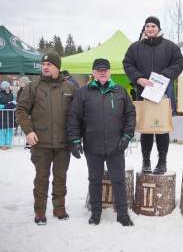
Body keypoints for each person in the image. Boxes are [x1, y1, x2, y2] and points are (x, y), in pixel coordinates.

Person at [67, 58, 136, 226]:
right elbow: (73, 117)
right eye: (99, 70)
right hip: (92, 145)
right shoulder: (83, 92)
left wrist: (127, 136)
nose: (103, 72)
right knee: (95, 180)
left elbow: (130, 114)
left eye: (105, 70)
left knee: (118, 180)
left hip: (116, 146)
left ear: (110, 72)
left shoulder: (120, 91)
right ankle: (95, 212)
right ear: (93, 73)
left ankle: (122, 213)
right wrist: (75, 141)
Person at [16, 52, 76, 225]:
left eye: (50, 64)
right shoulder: (33, 87)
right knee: (41, 178)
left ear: (57, 67)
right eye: (44, 64)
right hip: (40, 142)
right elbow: (21, 110)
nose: (46, 67)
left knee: (60, 177)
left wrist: (76, 137)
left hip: (63, 143)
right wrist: (28, 131)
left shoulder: (70, 88)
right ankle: (40, 211)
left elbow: (77, 114)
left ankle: (59, 207)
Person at [123, 16, 183, 175]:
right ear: (144, 29)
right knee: (146, 128)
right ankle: (146, 161)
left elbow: (178, 63)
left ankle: (162, 161)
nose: (150, 29)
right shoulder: (134, 47)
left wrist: (164, 76)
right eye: (147, 26)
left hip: (164, 93)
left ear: (159, 29)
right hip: (142, 93)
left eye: (153, 26)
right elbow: (127, 64)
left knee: (162, 127)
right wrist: (138, 78)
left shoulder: (170, 47)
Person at [0, 81, 15, 149]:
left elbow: (15, 102)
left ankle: (8, 144)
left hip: (10, 115)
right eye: (5, 87)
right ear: (3, 88)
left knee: (9, 130)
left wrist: (13, 105)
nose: (7, 89)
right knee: (2, 130)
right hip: (1, 115)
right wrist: (4, 106)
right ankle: (2, 144)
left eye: (8, 87)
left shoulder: (12, 94)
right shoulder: (0, 94)